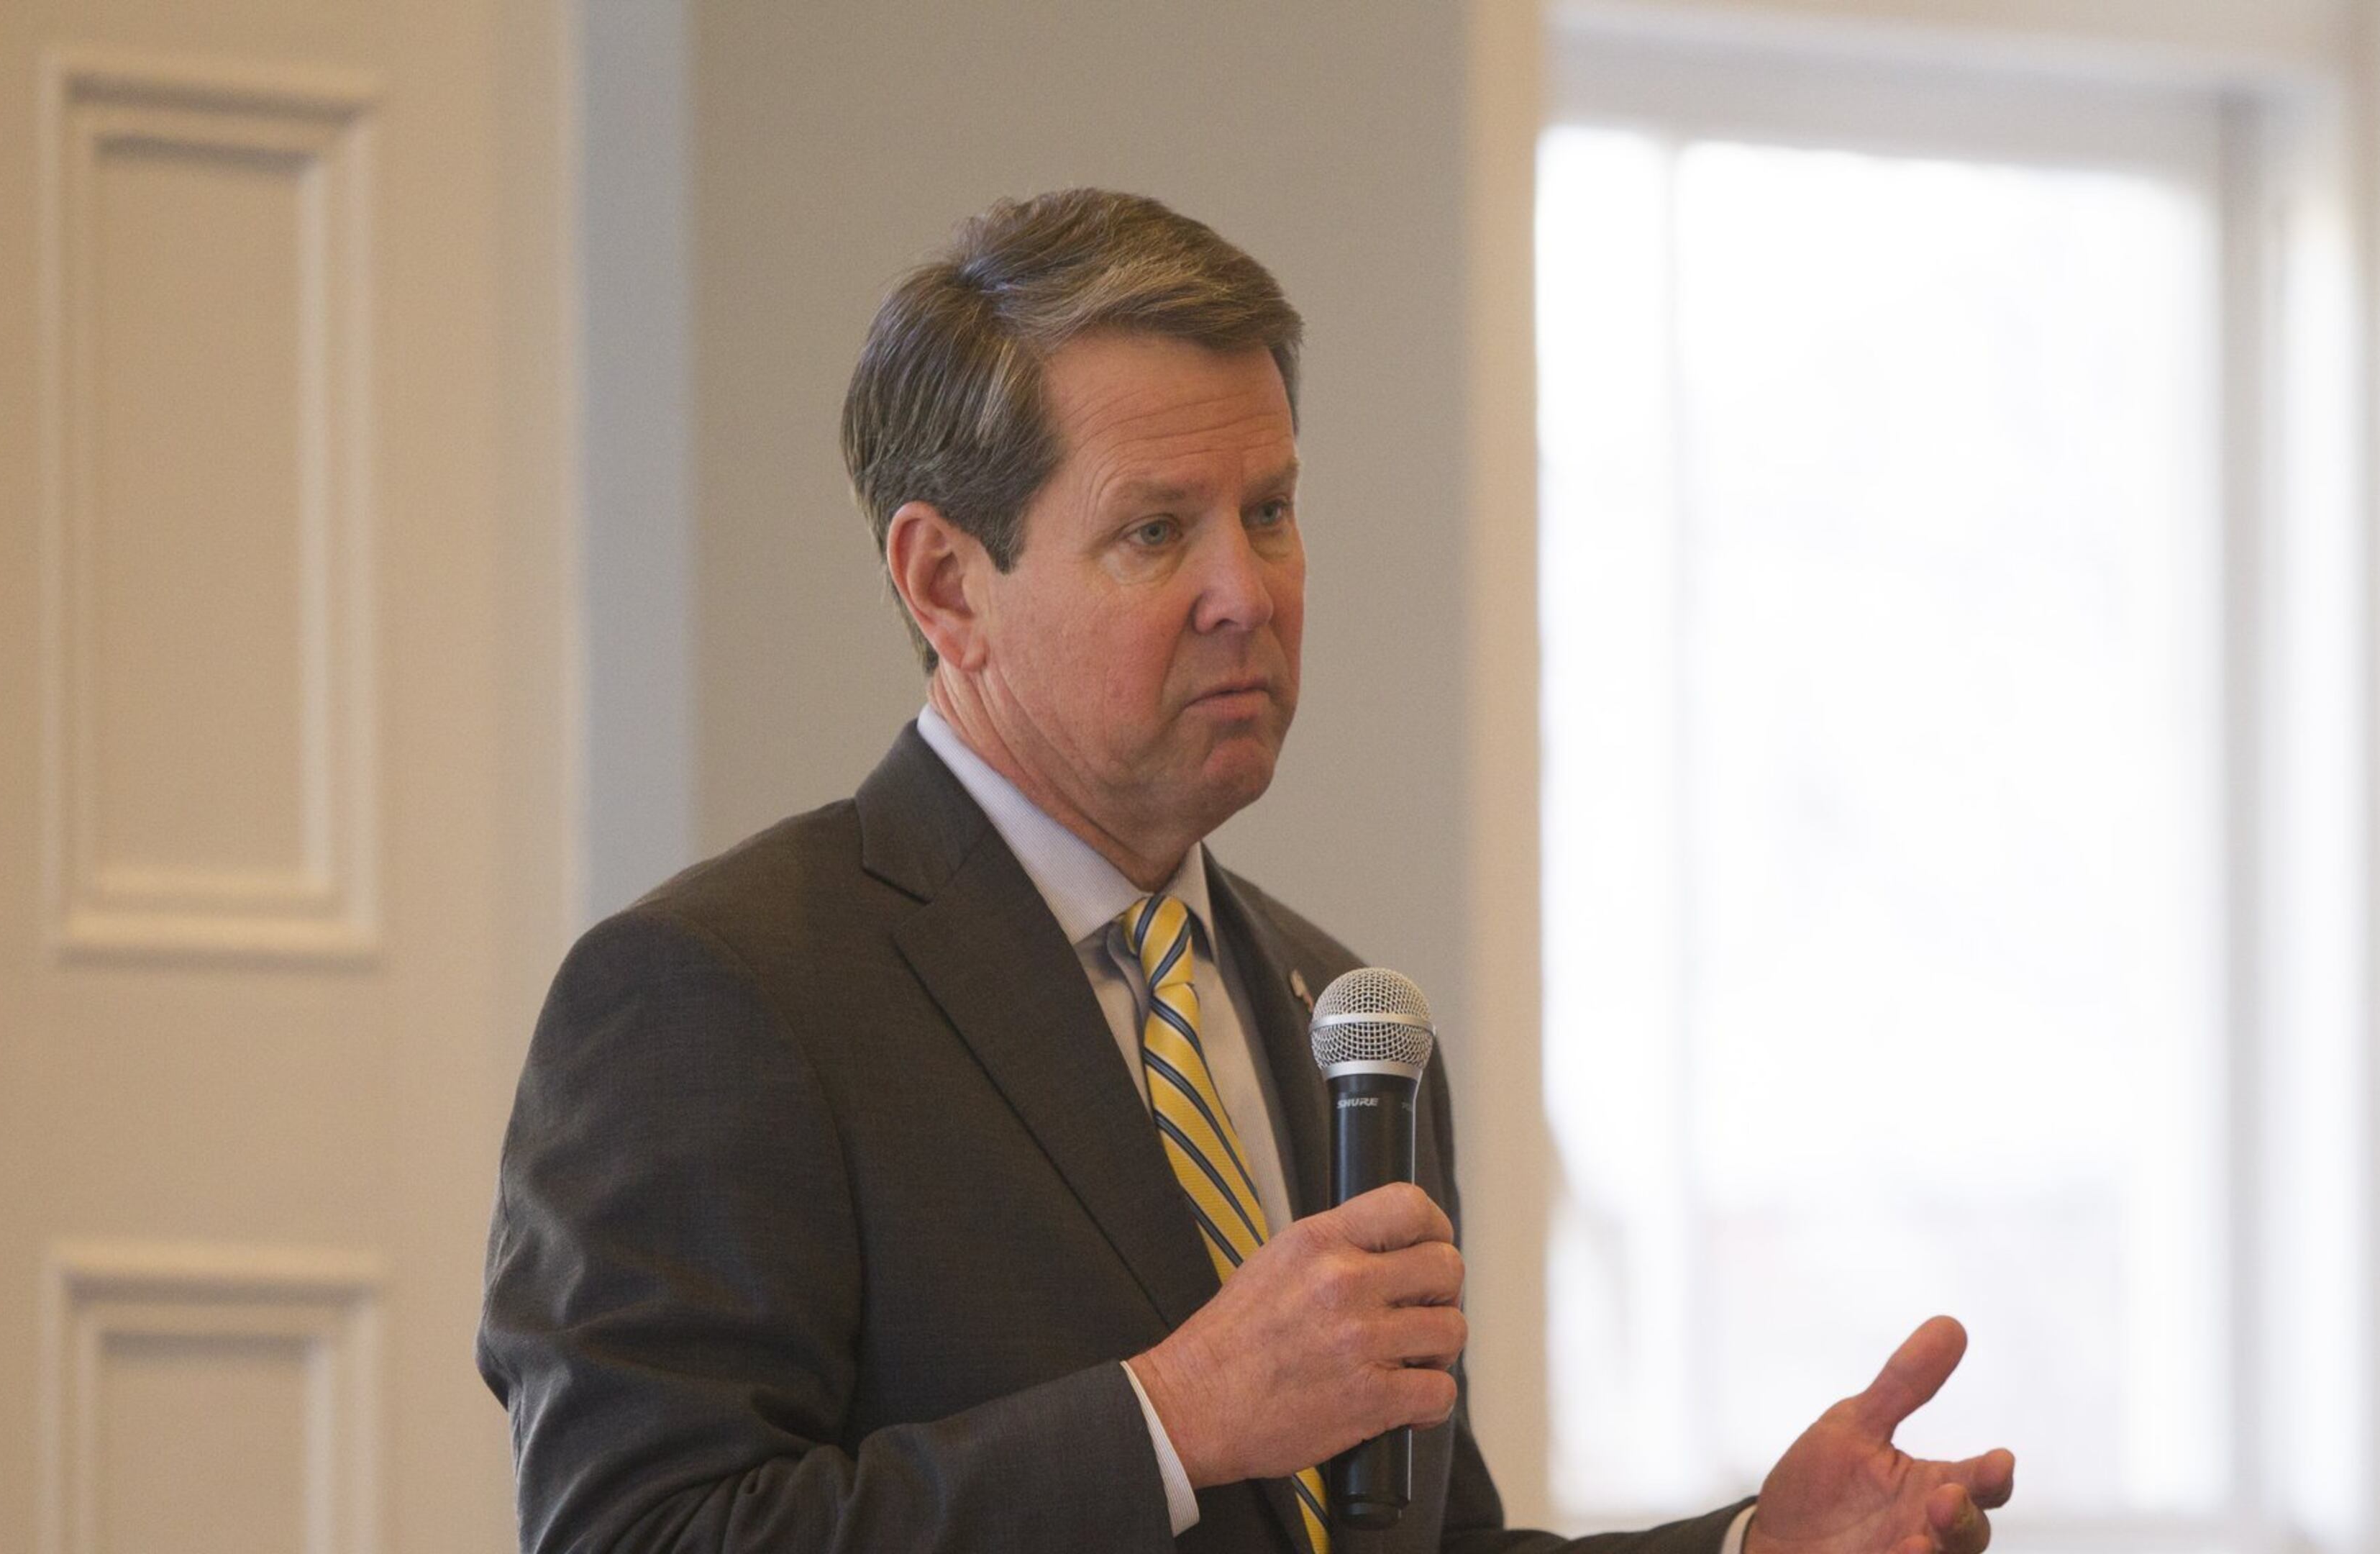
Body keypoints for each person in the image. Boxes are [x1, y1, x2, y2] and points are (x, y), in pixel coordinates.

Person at [478, 188, 2015, 1554]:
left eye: (1269, 512)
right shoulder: (719, 993)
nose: (1246, 592)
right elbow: (642, 1532)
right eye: (1157, 532)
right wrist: (1168, 1421)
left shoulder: (1342, 1020)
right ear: (947, 583)